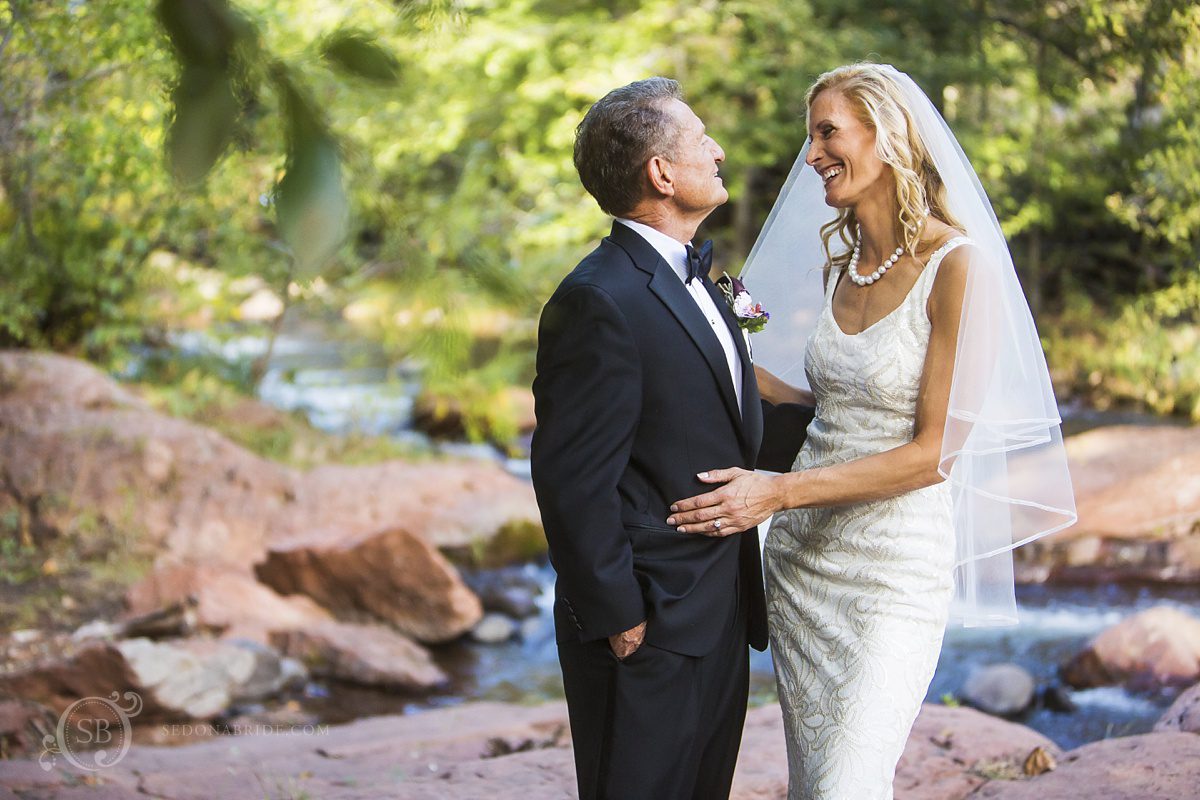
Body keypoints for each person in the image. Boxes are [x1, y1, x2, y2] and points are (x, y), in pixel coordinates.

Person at [664, 64, 1077, 799]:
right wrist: (713, 335)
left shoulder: (959, 267)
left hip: (891, 572)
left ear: (886, 137)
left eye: (828, 131)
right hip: (801, 568)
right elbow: (821, 403)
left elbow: (932, 455)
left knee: (846, 785)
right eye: (811, 135)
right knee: (816, 781)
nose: (813, 153)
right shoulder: (843, 264)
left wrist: (777, 493)